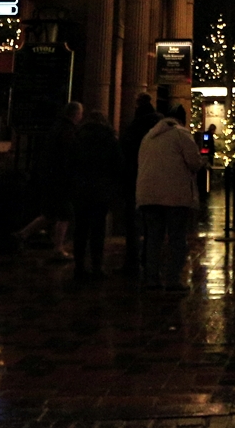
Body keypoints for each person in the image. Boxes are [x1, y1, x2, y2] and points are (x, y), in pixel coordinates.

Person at [136, 104, 206, 291]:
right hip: (174, 195)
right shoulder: (181, 135)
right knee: (176, 238)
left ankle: (152, 278)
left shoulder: (148, 136)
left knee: (153, 238)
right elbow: (194, 162)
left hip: (148, 194)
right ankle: (173, 279)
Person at [20, 101, 81, 260]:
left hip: (50, 177)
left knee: (49, 213)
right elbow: (67, 157)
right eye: (80, 113)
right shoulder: (68, 130)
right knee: (64, 214)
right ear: (75, 114)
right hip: (61, 179)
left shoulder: (57, 127)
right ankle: (58, 248)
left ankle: (22, 235)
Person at [70, 106, 121, 279]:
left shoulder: (77, 138)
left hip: (81, 189)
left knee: (80, 229)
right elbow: (117, 166)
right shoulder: (110, 139)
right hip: (101, 189)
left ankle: (79, 267)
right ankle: (97, 266)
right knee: (98, 229)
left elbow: (70, 164)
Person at [119, 93, 160, 277]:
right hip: (154, 177)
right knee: (153, 223)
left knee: (133, 223)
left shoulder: (134, 126)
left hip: (134, 177)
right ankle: (151, 261)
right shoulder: (158, 125)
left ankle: (132, 261)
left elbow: (125, 152)